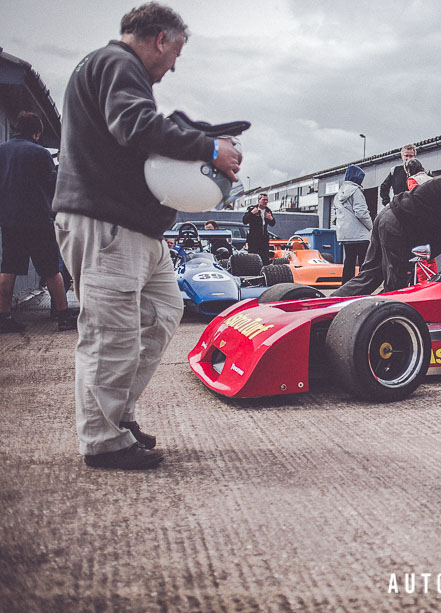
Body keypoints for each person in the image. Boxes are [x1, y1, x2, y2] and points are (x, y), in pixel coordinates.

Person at [52, 2, 243, 470]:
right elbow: (133, 124)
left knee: (161, 313)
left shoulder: (110, 67)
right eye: (175, 53)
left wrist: (190, 134)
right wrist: (208, 147)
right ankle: (102, 440)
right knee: (111, 334)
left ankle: (118, 417)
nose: (174, 65)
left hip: (135, 227)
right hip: (107, 224)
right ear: (161, 39)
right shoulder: (118, 63)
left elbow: (130, 132)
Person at [333, 157, 441, 297]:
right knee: (396, 286)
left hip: (389, 216)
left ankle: (321, 306)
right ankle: (388, 325)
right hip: (399, 223)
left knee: (369, 276)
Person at [0, 111, 77, 333]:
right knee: (51, 269)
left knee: (8, 269)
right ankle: (63, 316)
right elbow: (54, 185)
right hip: (38, 220)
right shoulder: (40, 153)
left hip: (10, 220)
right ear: (36, 133)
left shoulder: (2, 151)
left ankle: (4, 317)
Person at [333, 165, 373, 284]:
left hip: (345, 234)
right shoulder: (356, 191)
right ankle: (362, 287)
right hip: (360, 235)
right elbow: (361, 213)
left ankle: (346, 287)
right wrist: (371, 226)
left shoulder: (339, 193)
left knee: (349, 262)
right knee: (363, 263)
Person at [243, 193, 275, 265]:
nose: (265, 202)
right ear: (259, 200)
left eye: (267, 200)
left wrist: (271, 218)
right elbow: (244, 221)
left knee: (265, 258)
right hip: (253, 238)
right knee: (252, 258)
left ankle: (264, 272)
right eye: (263, 200)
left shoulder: (268, 211)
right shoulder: (252, 209)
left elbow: (273, 224)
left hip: (263, 239)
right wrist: (251, 213)